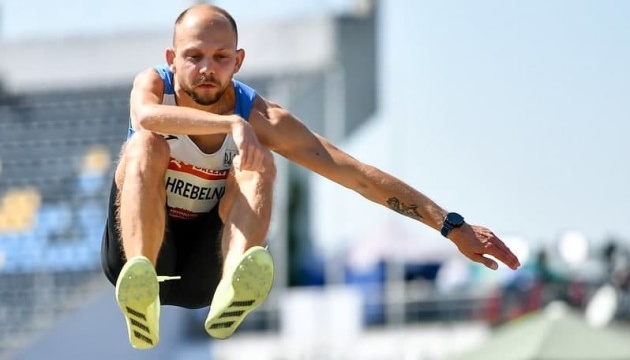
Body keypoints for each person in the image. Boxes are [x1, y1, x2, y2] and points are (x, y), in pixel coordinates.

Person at [100, 4, 521, 350]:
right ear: (173, 59)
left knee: (259, 161)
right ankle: (142, 292)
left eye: (220, 57)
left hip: (204, 268)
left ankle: (234, 281)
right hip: (147, 253)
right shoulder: (156, 84)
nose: (207, 68)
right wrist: (230, 127)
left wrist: (449, 225)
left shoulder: (262, 117)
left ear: (238, 60)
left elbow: (356, 175)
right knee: (145, 144)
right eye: (194, 56)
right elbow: (145, 116)